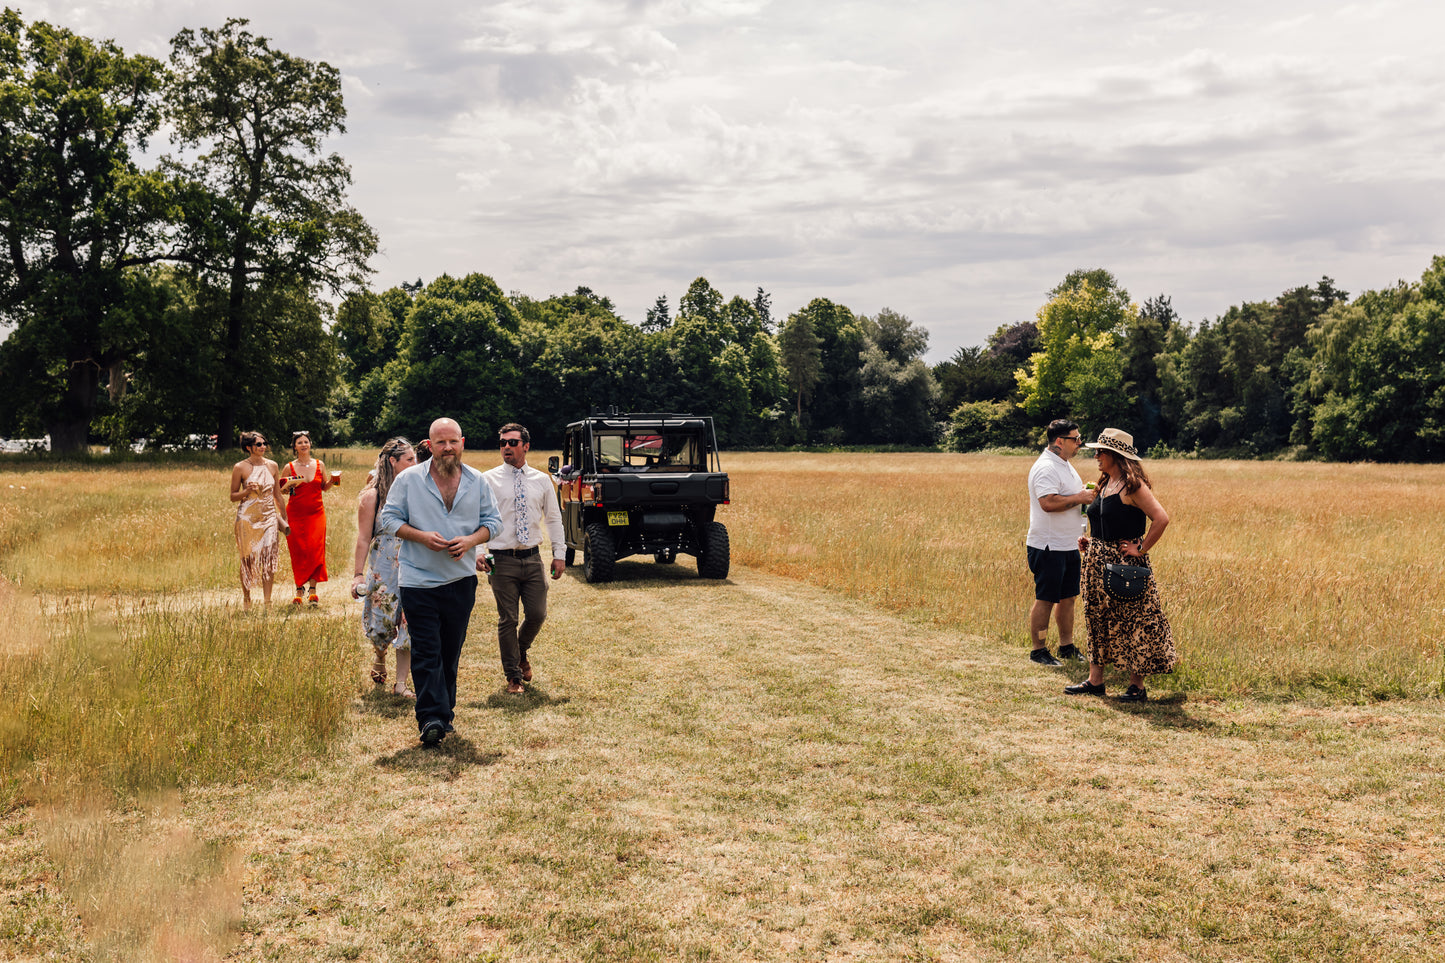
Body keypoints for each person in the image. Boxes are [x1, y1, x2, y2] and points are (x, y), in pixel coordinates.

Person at [379, 418, 501, 747]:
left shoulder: (477, 481)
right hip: (417, 580)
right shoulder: (408, 480)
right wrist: (419, 537)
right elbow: (387, 519)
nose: (447, 448)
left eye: (453, 442)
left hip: (460, 579)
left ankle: (445, 712)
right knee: (425, 649)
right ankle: (430, 717)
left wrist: (471, 539)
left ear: (462, 442)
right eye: (440, 442)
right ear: (429, 445)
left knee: (449, 650)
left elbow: (493, 522)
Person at [1066, 428, 1178, 702]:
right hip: (1096, 562)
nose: (1095, 456)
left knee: (1133, 620)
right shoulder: (1104, 483)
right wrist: (1090, 542)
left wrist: (1139, 549)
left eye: (1100, 451)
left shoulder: (1133, 485)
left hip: (1125, 564)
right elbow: (1105, 522)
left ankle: (1136, 687)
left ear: (1116, 455)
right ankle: (1095, 681)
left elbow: (1161, 518)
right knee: (1097, 618)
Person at [478, 423, 566, 695]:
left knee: (538, 613)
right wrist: (479, 552)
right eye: (503, 442)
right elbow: (477, 519)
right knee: (508, 618)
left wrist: (559, 554)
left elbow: (553, 519)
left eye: (513, 442)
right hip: (500, 559)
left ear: (526, 446)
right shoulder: (487, 480)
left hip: (532, 558)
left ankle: (521, 650)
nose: (506, 447)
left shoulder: (541, 481)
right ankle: (513, 677)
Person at [1025, 418, 1095, 667]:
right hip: (1048, 545)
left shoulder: (1064, 463)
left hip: (1067, 544)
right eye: (1075, 439)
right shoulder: (1046, 467)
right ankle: (1038, 650)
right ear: (1058, 441)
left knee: (1068, 597)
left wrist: (1084, 496)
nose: (1079, 443)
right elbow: (1048, 503)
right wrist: (1079, 496)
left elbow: (1069, 498)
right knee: (1046, 598)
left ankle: (1066, 646)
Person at [351, 438, 417, 697]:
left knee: (408, 622)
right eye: (409, 460)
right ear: (393, 461)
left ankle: (401, 683)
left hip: (413, 564)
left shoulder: (417, 491)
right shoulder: (372, 497)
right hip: (383, 567)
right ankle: (380, 655)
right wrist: (357, 575)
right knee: (382, 624)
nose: (415, 464)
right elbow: (364, 538)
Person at [229, 431, 290, 610]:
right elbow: (233, 496)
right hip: (247, 519)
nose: (263, 447)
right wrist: (246, 491)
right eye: (259, 444)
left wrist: (284, 518)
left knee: (269, 559)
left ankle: (267, 602)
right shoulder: (239, 467)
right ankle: (247, 600)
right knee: (247, 560)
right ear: (249, 448)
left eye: (264, 443)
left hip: (269, 517)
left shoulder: (272, 465)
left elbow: (277, 494)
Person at [281, 430, 337, 606]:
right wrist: (289, 485)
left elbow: (324, 487)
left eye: (306, 442)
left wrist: (334, 481)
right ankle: (299, 588)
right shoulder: (288, 466)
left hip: (316, 513)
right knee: (298, 550)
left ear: (310, 444)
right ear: (295, 447)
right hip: (295, 514)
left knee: (315, 550)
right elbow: (281, 490)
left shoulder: (320, 464)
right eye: (300, 443)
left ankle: (313, 590)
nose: (304, 445)